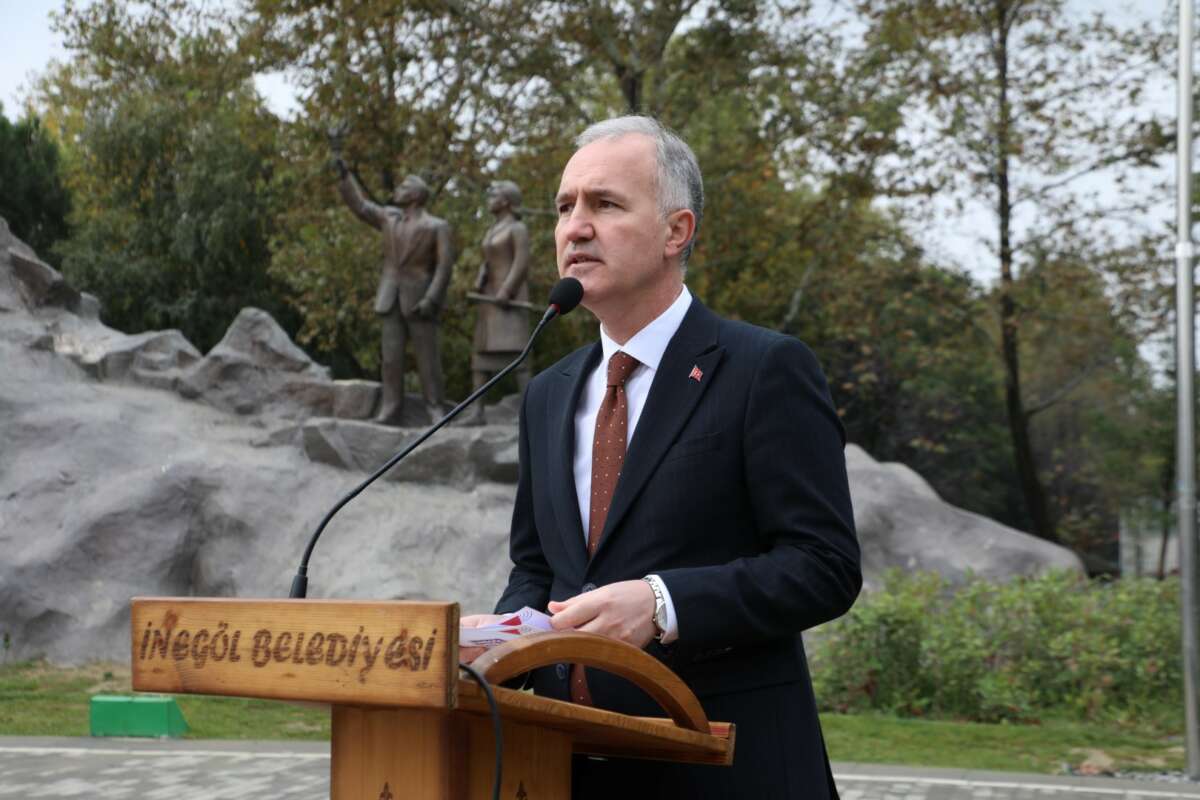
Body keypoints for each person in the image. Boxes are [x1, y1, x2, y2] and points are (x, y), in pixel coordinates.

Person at [461, 115, 860, 798]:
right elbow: (538, 565)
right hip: (562, 765)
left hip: (725, 766)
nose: (574, 227)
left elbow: (823, 566)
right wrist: (504, 638)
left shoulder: (763, 368)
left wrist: (663, 603)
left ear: (677, 231)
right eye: (564, 207)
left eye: (604, 204)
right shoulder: (549, 394)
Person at [331, 140, 454, 425]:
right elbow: (360, 205)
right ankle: (390, 408)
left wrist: (432, 299)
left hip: (421, 299)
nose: (396, 191)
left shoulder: (437, 227)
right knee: (390, 358)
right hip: (390, 297)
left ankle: (435, 409)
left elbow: (444, 268)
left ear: (415, 196)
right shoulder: (389, 218)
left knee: (428, 359)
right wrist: (342, 168)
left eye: (402, 188)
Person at [462, 181, 533, 425]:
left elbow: (521, 262)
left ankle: (528, 411)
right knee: (481, 356)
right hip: (489, 299)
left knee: (518, 357)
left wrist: (506, 290)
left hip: (509, 300)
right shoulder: (492, 229)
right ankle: (477, 412)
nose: (489, 198)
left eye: (494, 194)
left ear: (505, 201)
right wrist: (480, 275)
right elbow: (489, 260)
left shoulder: (517, 228)